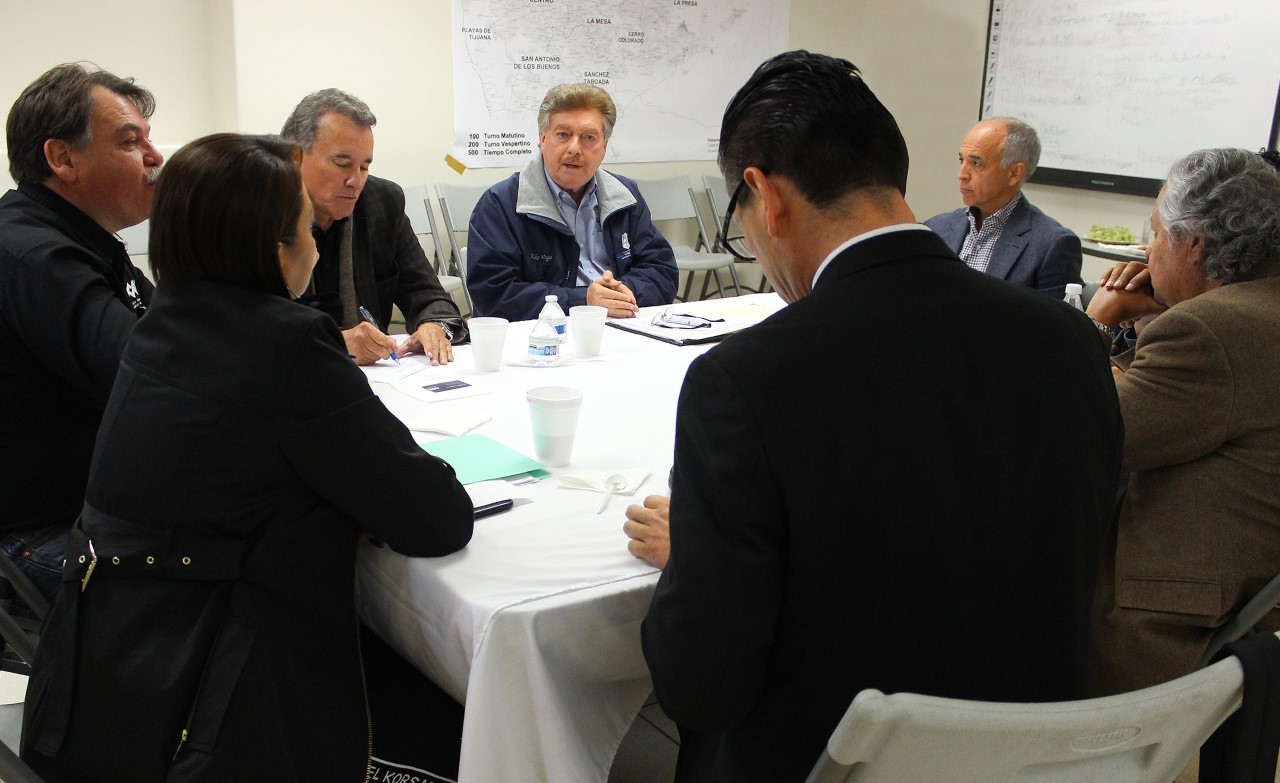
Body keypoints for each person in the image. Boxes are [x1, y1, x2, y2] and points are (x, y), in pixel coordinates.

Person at [637, 51, 1123, 782]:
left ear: (764, 195)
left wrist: (695, 559)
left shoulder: (745, 380)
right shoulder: (1071, 341)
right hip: (1033, 757)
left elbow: (701, 685)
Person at [20, 134, 474, 781]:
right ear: (275, 248)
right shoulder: (287, 343)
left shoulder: (160, 322)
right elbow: (436, 517)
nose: (316, 243)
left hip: (115, 673)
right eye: (305, 228)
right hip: (224, 696)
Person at [1084, 148, 1280, 696]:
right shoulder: (1251, 313)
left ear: (1193, 244)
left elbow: (1084, 432)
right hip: (1250, 602)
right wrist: (1158, 320)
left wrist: (1096, 325)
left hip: (1166, 626)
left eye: (1155, 233)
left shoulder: (1210, 330)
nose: (1147, 251)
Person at [0, 63, 162, 603]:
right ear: (63, 159)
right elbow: (150, 378)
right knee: (254, 575)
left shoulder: (90, 241)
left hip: (98, 504)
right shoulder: (36, 256)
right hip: (37, 532)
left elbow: (173, 336)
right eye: (130, 141)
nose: (155, 157)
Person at [466, 83, 678, 321]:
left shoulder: (625, 197)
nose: (575, 148)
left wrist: (619, 295)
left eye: (589, 138)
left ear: (604, 147)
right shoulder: (500, 204)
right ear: (543, 139)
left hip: (621, 322)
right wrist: (584, 301)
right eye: (563, 135)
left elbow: (662, 271)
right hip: (544, 332)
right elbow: (493, 294)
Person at [281, 89, 464, 365]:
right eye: (342, 164)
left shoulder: (382, 203)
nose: (355, 181)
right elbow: (249, 331)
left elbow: (429, 296)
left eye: (364, 167)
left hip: (378, 377)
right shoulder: (261, 215)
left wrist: (434, 326)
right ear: (295, 157)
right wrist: (335, 342)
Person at [924, 117, 1082, 300]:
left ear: (1014, 173)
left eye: (976, 164)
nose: (962, 174)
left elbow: (1055, 318)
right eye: (962, 161)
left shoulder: (1052, 245)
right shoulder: (936, 228)